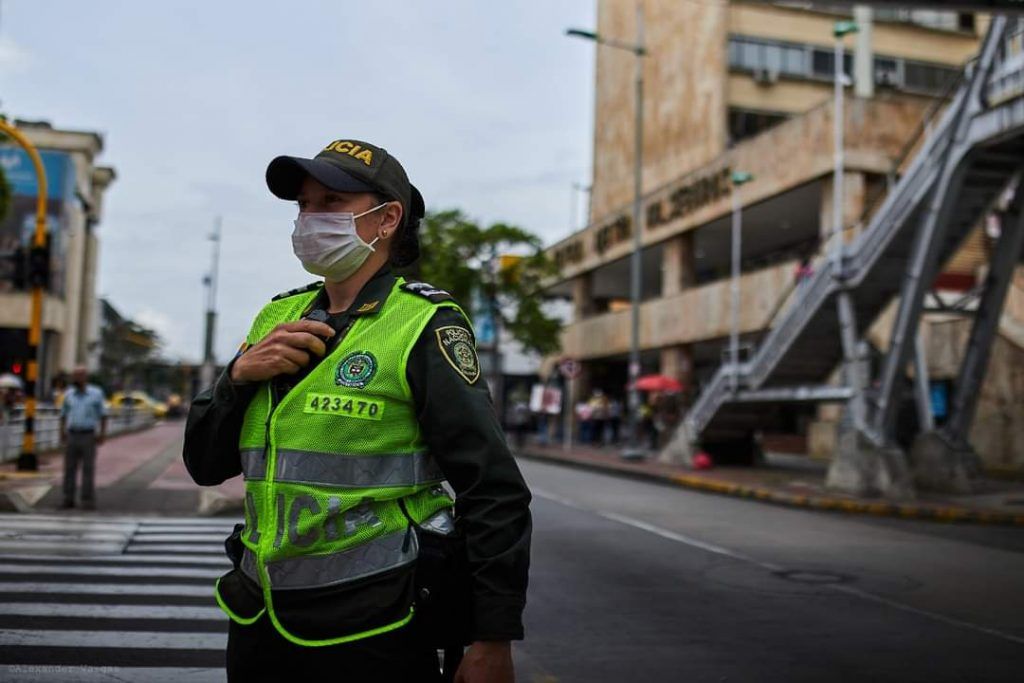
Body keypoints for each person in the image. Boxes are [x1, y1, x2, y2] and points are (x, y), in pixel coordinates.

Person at [182, 138, 531, 682]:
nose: (309, 219)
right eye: (303, 205)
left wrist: (492, 636)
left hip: (371, 627)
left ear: (387, 218)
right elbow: (205, 464)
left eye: (330, 203)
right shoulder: (277, 317)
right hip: (259, 618)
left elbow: (493, 488)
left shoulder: (424, 323)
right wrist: (236, 378)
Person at [59, 366, 107, 510]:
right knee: (69, 468)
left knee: (88, 468)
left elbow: (103, 415)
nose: (76, 378)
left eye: (79, 375)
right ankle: (68, 498)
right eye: (74, 375)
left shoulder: (96, 393)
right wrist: (61, 432)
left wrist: (102, 434)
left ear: (85, 377)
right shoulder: (69, 394)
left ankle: (87, 500)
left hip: (88, 434)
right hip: (72, 434)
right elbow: (63, 414)